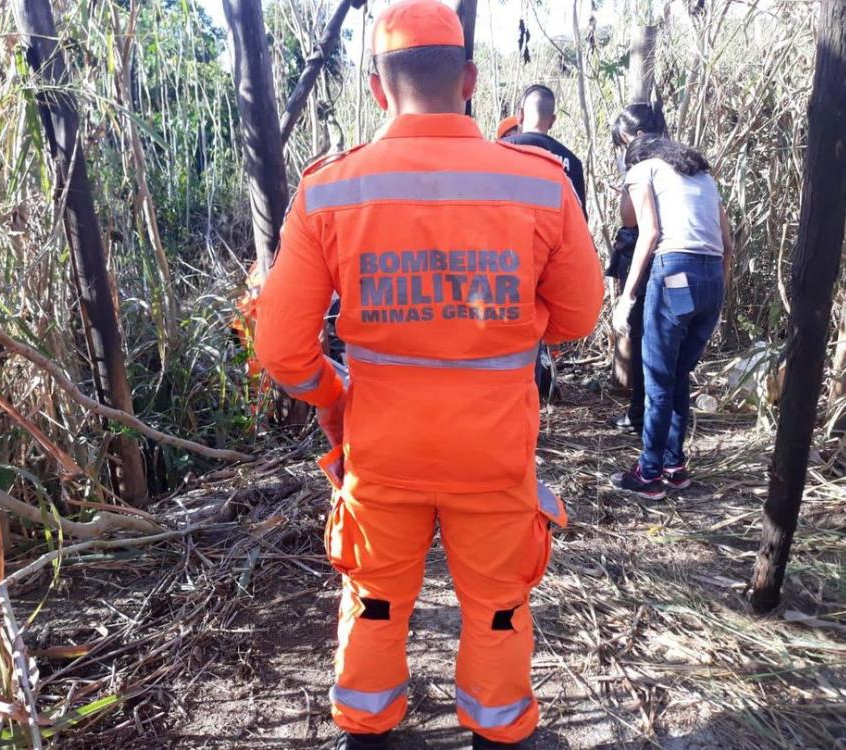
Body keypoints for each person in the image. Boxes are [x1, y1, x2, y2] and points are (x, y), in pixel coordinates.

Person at [253, 2, 604, 748]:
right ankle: (498, 731)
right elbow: (577, 318)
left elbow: (282, 350)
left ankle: (367, 729)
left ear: (378, 89)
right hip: (494, 452)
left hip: (383, 451)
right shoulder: (540, 184)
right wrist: (514, 320)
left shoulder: (330, 190)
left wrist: (334, 397)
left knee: (376, 602)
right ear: (469, 81)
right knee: (498, 609)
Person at [609, 134, 733, 500]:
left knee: (659, 380)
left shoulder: (642, 170)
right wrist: (716, 294)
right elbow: (728, 244)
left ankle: (649, 473)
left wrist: (627, 296)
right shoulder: (703, 176)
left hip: (675, 271)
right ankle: (673, 466)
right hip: (712, 277)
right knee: (678, 375)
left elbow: (646, 232)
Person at [605, 102, 667, 434]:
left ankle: (642, 413)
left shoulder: (643, 169)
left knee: (644, 337)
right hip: (672, 259)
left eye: (625, 142)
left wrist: (627, 182)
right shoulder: (678, 162)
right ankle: (649, 414)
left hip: (650, 257)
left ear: (640, 135)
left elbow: (631, 220)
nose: (623, 150)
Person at [506, 84, 586, 215]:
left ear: (520, 115)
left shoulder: (504, 149)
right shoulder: (572, 163)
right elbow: (580, 218)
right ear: (552, 120)